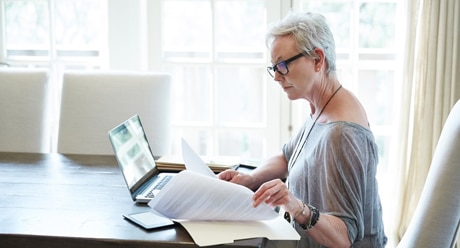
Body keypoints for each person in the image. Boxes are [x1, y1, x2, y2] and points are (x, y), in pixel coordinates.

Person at [218, 11, 387, 247]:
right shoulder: (321, 108)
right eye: (274, 67)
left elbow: (344, 237)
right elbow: (288, 156)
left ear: (318, 60)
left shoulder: (342, 133)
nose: (277, 77)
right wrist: (251, 179)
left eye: (283, 65)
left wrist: (297, 207)